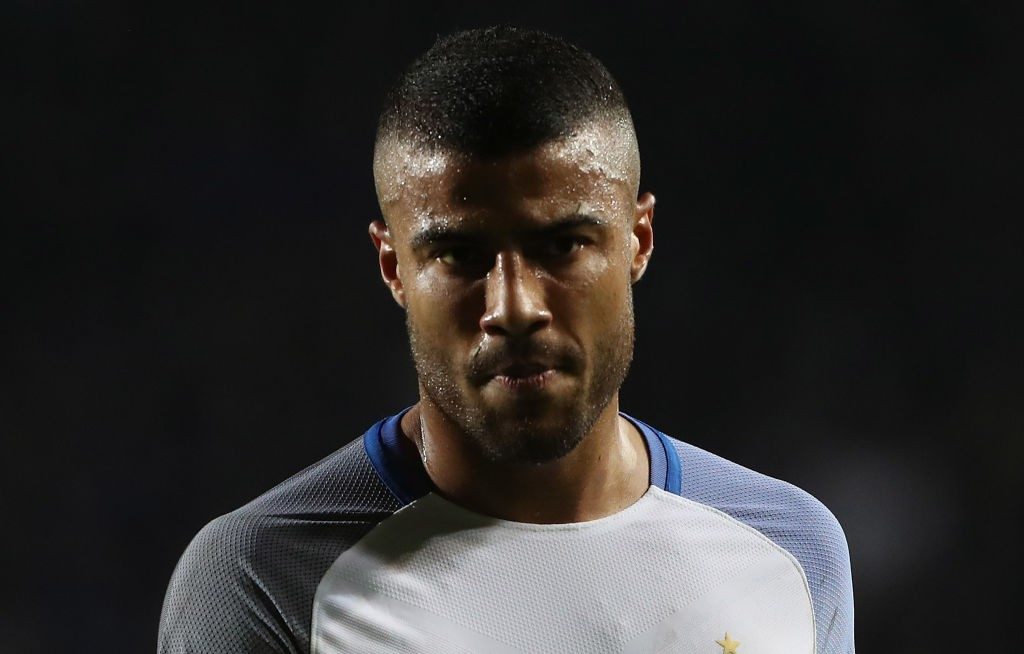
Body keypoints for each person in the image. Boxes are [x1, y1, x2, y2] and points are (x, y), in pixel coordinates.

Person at [158, 25, 855, 654]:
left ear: (637, 241)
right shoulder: (265, 578)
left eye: (563, 245)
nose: (514, 307)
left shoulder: (791, 553)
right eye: (459, 255)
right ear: (393, 267)